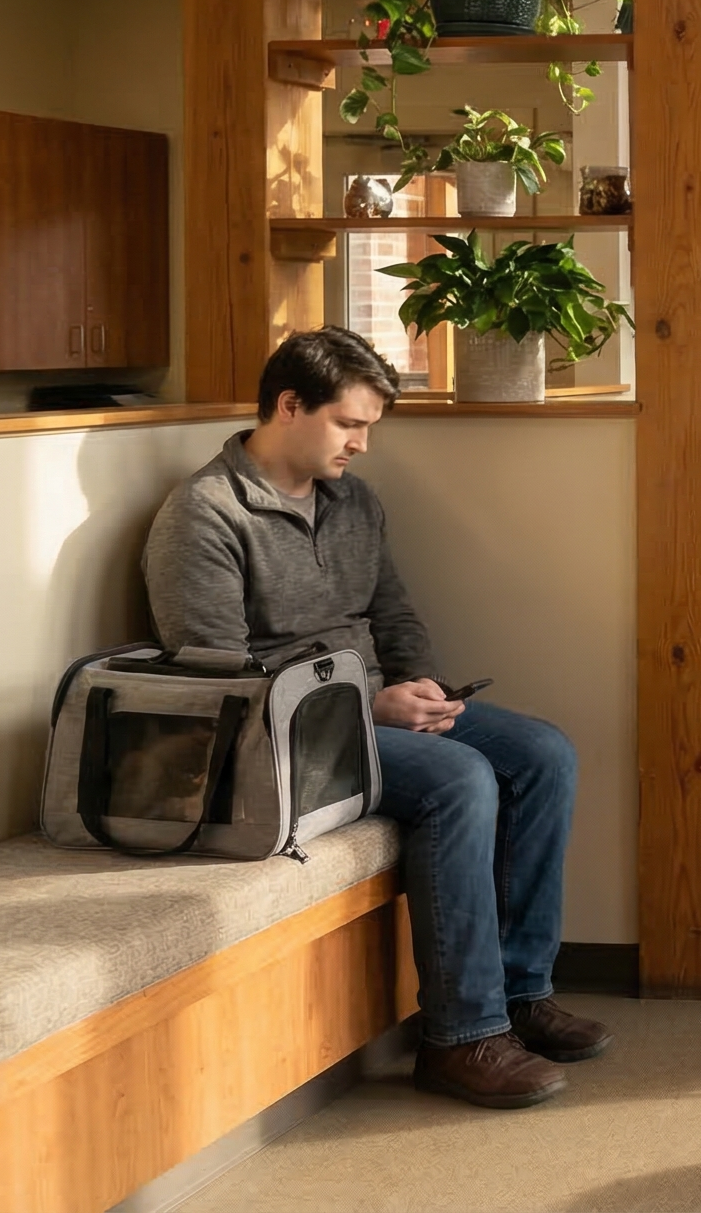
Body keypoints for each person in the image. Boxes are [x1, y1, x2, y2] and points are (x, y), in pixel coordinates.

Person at [142, 327, 609, 1110]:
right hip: (279, 742)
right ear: (289, 406)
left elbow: (393, 614)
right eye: (349, 425)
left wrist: (419, 685)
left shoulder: (353, 500)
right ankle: (461, 1037)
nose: (362, 444)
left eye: (368, 428)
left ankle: (522, 995)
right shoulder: (204, 516)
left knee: (542, 753)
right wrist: (369, 705)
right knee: (459, 780)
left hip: (372, 712)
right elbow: (218, 687)